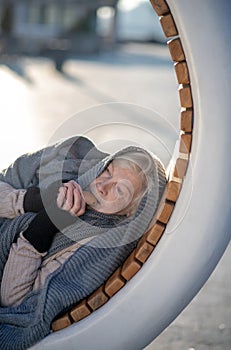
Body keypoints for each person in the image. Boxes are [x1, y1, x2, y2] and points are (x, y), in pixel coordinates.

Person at [0, 135, 167, 349]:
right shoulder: (72, 170)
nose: (102, 185)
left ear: (130, 213)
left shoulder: (91, 247)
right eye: (108, 171)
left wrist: (45, 225)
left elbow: (13, 300)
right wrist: (34, 200)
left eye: (119, 190)